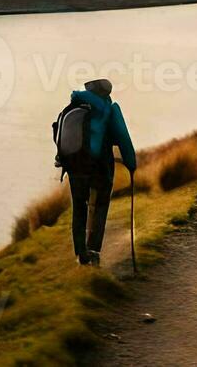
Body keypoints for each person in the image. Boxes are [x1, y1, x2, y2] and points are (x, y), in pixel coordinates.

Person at [64, 78, 136, 266]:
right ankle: (93, 250)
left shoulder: (75, 104)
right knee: (100, 205)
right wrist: (131, 164)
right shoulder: (110, 109)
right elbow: (123, 138)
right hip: (99, 166)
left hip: (74, 165)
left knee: (79, 207)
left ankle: (81, 254)